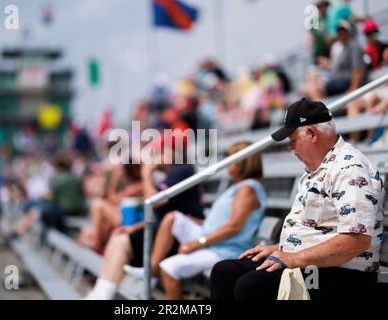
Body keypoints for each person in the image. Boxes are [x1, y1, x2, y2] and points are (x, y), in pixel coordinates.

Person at [210, 98, 385, 300]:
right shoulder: (314, 171)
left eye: (292, 140)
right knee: (225, 272)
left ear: (311, 134)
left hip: (344, 276)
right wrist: (280, 249)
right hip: (317, 267)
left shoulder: (350, 169)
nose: (290, 148)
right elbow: (317, 232)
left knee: (252, 285)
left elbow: (357, 241)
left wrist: (293, 257)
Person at [123, 141, 267, 299]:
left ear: (242, 163)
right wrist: (197, 223)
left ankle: (154, 274)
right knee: (173, 217)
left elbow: (234, 226)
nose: (227, 163)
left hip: (225, 250)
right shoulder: (242, 187)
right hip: (215, 240)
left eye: (231, 159)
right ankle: (151, 270)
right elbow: (228, 222)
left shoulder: (247, 189)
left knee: (169, 268)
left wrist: (198, 243)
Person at [84, 135, 204, 299]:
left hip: (178, 236)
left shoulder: (182, 169)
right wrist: (135, 227)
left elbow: (154, 202)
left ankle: (102, 295)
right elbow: (156, 212)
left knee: (122, 242)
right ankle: (100, 292)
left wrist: (146, 172)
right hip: (164, 231)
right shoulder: (173, 172)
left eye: (157, 152)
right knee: (119, 235)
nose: (154, 157)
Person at [77, 161, 143, 252]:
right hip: (125, 217)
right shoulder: (134, 185)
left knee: (98, 205)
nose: (122, 174)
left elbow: (112, 199)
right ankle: (96, 244)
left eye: (123, 171)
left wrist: (114, 178)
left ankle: (97, 245)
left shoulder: (139, 185)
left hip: (131, 221)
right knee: (87, 232)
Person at [302, 20, 366, 99]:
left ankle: (322, 109)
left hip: (344, 83)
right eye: (339, 33)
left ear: (348, 32)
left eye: (343, 32)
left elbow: (358, 69)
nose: (341, 35)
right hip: (336, 81)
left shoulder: (353, 46)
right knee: (308, 87)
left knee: (316, 89)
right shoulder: (343, 48)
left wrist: (353, 89)